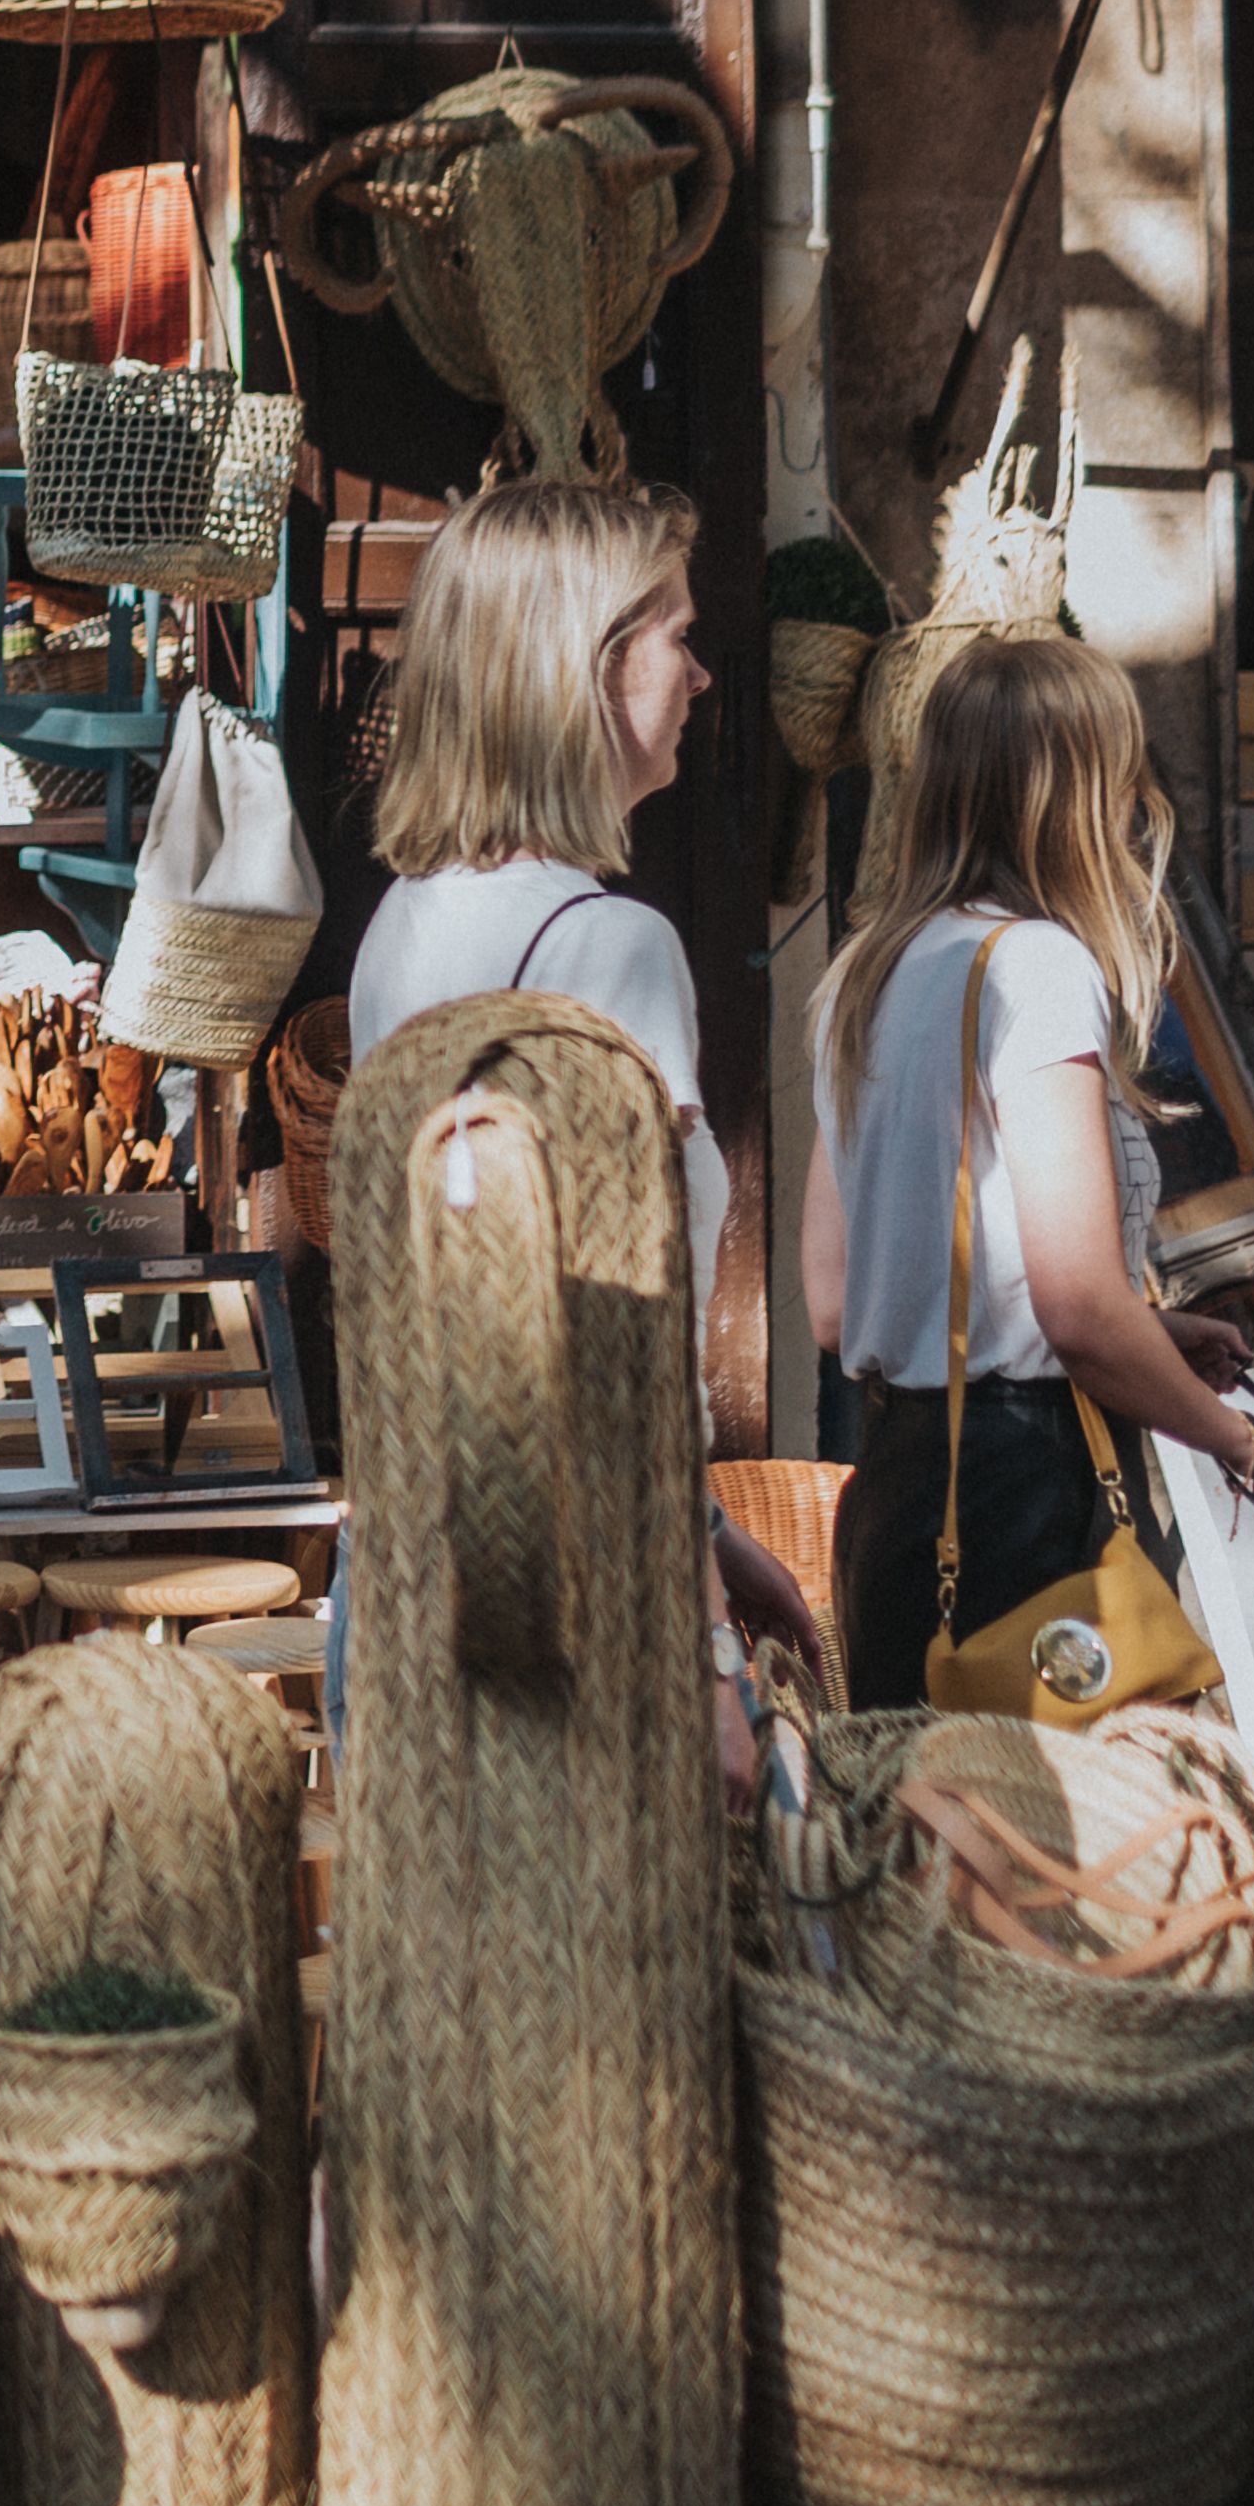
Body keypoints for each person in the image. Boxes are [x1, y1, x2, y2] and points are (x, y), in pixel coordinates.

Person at [343, 474, 823, 1763]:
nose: (703, 676)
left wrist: (721, 1538)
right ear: (589, 669)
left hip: (413, 1576)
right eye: (675, 633)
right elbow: (619, 1343)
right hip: (579, 1613)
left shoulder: (407, 920)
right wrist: (712, 1643)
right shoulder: (612, 949)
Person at [803, 635, 1254, 1708]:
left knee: (929, 1855)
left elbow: (840, 1303)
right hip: (1027, 1491)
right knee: (1072, 1851)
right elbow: (1075, 1306)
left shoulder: (863, 974)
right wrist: (1247, 1441)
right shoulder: (1037, 966)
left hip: (898, 1491)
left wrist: (1147, 1333)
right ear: (1087, 794)